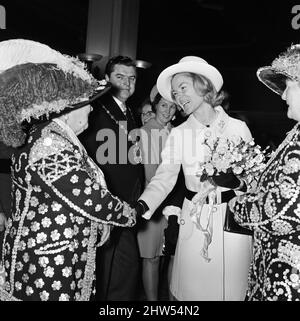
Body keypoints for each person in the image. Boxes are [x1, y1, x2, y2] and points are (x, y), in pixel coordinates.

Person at [0, 39, 136, 301]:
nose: (93, 108)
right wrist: (130, 214)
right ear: (67, 111)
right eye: (88, 103)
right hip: (46, 263)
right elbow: (89, 197)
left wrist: (98, 220)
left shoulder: (49, 136)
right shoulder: (51, 144)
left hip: (47, 254)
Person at [134, 56, 253, 301]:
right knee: (190, 294)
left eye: (183, 88)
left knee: (231, 291)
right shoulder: (178, 134)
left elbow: (254, 182)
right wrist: (142, 205)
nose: (178, 98)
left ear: (203, 85)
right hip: (194, 221)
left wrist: (237, 183)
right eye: (175, 93)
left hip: (231, 220)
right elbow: (164, 177)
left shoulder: (237, 128)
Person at [226, 44, 300, 301]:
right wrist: (242, 180)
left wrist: (237, 207)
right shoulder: (296, 133)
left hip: (290, 277)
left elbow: (284, 209)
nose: (282, 97)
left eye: (288, 87)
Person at [79, 55, 144, 300]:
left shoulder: (128, 111)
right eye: (120, 77)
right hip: (107, 203)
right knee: (110, 273)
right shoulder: (97, 110)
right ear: (106, 79)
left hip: (127, 202)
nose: (127, 83)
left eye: (132, 78)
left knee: (123, 272)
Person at [138, 89, 182, 300]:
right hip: (153, 202)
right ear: (154, 106)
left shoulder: (177, 132)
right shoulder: (146, 131)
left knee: (172, 255)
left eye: (172, 106)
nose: (167, 109)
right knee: (152, 257)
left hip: (176, 202)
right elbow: (150, 174)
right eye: (163, 105)